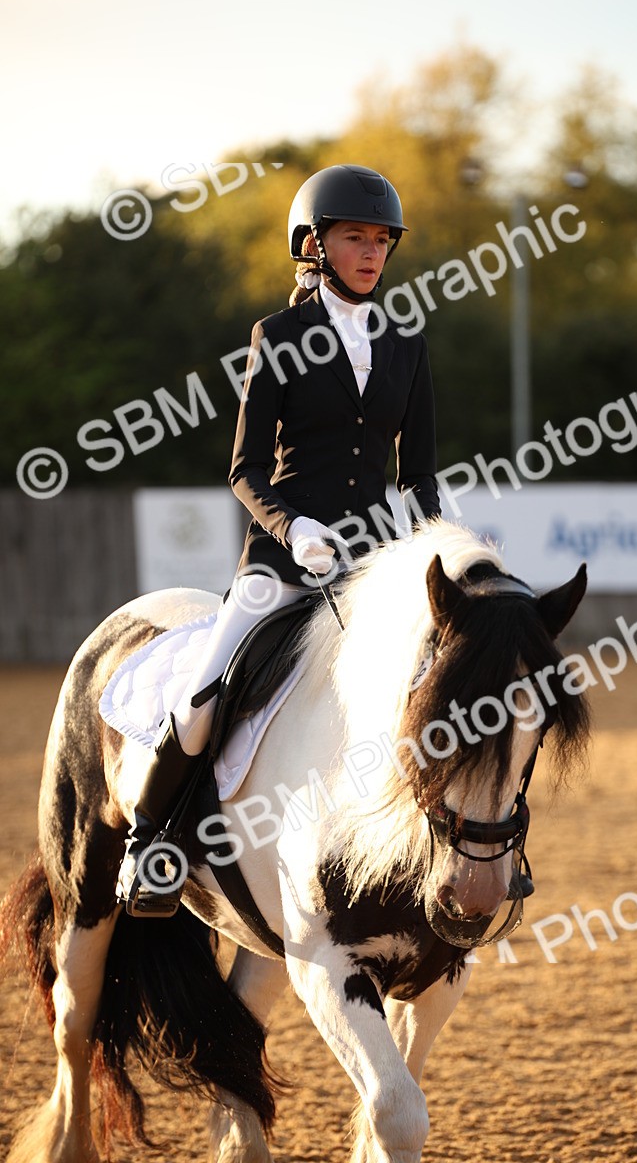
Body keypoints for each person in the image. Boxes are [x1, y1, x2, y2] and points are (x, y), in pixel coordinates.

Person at [116, 163, 441, 916]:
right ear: (316, 246)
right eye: (353, 237)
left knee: (439, 684)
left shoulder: (406, 344)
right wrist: (294, 529)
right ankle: (150, 845)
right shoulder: (279, 336)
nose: (370, 252)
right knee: (205, 692)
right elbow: (245, 468)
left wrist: (439, 550)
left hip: (368, 571)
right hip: (279, 563)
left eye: (380, 240)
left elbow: (419, 477)